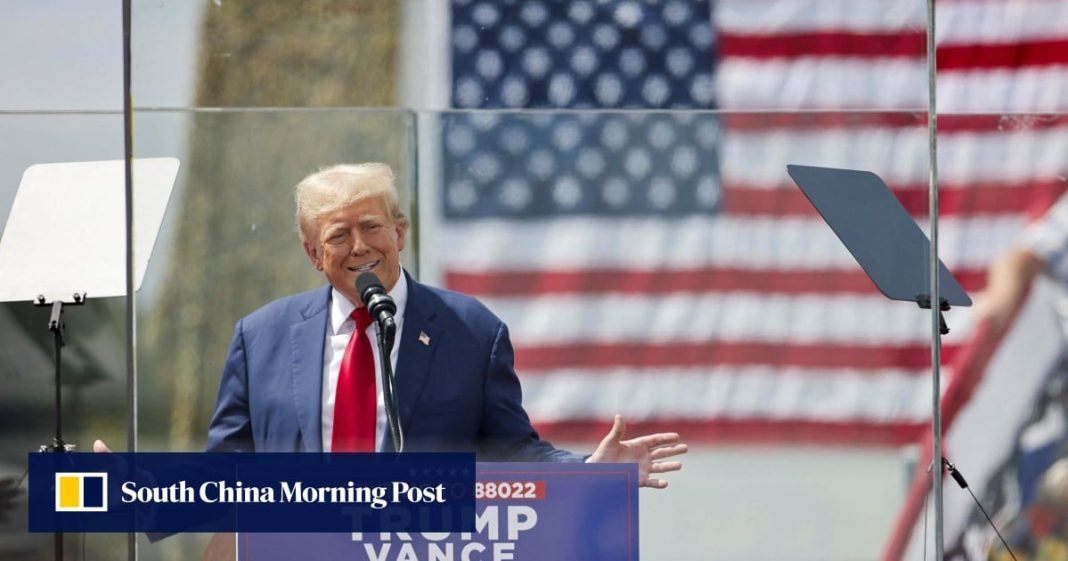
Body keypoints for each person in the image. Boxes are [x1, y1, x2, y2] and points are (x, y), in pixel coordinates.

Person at [160, 162, 685, 488]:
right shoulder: (261, 336)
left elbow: (512, 448)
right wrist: (138, 492)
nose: (360, 246)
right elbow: (225, 473)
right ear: (313, 254)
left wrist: (588, 473)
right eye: (339, 235)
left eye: (372, 227)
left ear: (400, 233)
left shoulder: (472, 331)